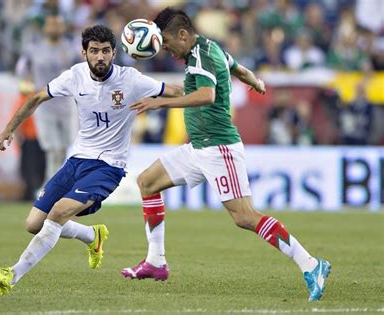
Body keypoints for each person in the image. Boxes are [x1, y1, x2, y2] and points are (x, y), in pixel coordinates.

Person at [121, 8, 331, 302]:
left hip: (219, 147)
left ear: (183, 34)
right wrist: (254, 81)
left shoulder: (201, 55)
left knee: (244, 217)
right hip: (199, 147)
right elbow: (238, 70)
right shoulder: (208, 48)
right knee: (147, 182)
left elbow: (206, 95)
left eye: (167, 42)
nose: (165, 49)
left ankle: (311, 264)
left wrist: (159, 104)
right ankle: (156, 262)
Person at [0, 25, 182, 295]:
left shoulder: (131, 80)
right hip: (76, 161)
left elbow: (176, 92)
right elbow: (37, 97)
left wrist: (190, 95)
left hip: (109, 167)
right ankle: (92, 236)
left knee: (58, 213)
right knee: (33, 224)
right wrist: (8, 130)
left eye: (105, 51)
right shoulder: (75, 75)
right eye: (93, 51)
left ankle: (12, 274)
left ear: (114, 53)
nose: (99, 56)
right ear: (84, 52)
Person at [15, 14, 75, 183]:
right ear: (45, 28)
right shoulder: (33, 49)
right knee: (52, 148)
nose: (54, 28)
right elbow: (21, 70)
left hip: (65, 106)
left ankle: (58, 184)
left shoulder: (71, 49)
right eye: (51, 25)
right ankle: (51, 187)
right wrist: (27, 85)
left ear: (63, 28)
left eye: (57, 25)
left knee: (64, 149)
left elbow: (83, 71)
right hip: (43, 106)